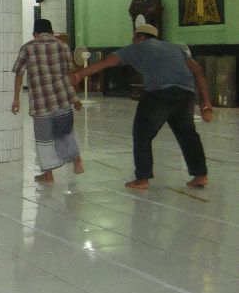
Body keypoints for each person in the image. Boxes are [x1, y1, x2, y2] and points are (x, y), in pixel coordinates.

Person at [71, 23, 212, 189]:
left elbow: (106, 62)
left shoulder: (135, 47)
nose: (132, 39)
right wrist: (206, 101)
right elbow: (198, 71)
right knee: (188, 134)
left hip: (159, 94)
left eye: (134, 36)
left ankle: (142, 178)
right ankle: (200, 175)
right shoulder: (175, 48)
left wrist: (79, 74)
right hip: (186, 93)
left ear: (141, 37)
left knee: (142, 134)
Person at [12, 19, 84, 182]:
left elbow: (19, 74)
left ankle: (48, 174)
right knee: (65, 133)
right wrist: (74, 98)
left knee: (44, 139)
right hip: (62, 99)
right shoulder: (63, 46)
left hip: (41, 102)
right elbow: (71, 75)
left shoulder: (28, 48)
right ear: (52, 33)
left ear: (34, 34)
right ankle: (77, 160)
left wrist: (16, 99)